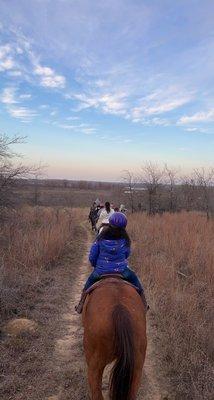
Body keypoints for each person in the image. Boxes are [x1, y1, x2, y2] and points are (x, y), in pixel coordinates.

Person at [75, 212, 147, 313]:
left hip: (101, 271)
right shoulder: (125, 240)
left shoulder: (100, 239)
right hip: (122, 270)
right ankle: (144, 304)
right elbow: (127, 254)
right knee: (136, 282)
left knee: (87, 286)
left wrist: (95, 265)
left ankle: (81, 304)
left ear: (109, 224)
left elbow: (92, 256)